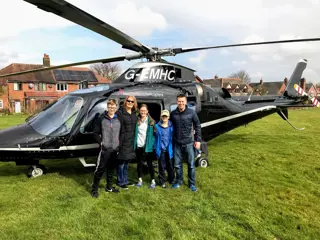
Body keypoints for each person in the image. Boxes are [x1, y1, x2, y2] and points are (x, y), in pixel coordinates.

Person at [170, 94, 201, 192]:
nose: (181, 103)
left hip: (189, 143)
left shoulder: (192, 113)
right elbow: (169, 125)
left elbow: (198, 126)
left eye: (182, 101)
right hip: (177, 143)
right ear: (177, 102)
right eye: (179, 101)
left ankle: (192, 184)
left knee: (191, 165)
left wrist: (198, 140)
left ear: (186, 102)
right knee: (177, 165)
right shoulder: (173, 113)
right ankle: (179, 181)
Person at [91, 99, 121, 198]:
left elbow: (122, 132)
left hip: (115, 149)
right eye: (110, 106)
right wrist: (101, 143)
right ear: (107, 107)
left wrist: (119, 143)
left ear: (116, 107)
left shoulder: (118, 118)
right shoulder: (101, 118)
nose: (112, 108)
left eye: (113, 106)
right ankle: (94, 189)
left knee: (111, 170)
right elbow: (95, 133)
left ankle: (109, 187)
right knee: (100, 170)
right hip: (104, 149)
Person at [116, 95, 138, 189]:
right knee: (121, 163)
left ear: (134, 103)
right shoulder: (120, 112)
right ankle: (120, 182)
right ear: (125, 102)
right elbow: (117, 127)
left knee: (127, 163)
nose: (130, 103)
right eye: (128, 101)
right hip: (123, 140)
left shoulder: (134, 113)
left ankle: (125, 180)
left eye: (132, 101)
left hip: (131, 140)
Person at [133, 104, 156, 189]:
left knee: (150, 164)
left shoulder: (151, 122)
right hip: (139, 146)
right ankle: (140, 180)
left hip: (148, 146)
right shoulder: (137, 121)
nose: (143, 112)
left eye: (144, 110)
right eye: (141, 110)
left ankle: (153, 181)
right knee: (139, 164)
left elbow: (155, 134)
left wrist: (152, 142)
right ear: (139, 111)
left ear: (147, 111)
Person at [154, 109, 174, 188]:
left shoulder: (172, 126)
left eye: (166, 116)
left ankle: (171, 180)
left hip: (169, 149)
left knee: (170, 165)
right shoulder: (157, 126)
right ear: (161, 117)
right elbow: (154, 137)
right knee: (161, 166)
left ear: (168, 117)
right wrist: (155, 147)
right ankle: (162, 181)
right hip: (161, 149)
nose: (164, 117)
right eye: (163, 116)